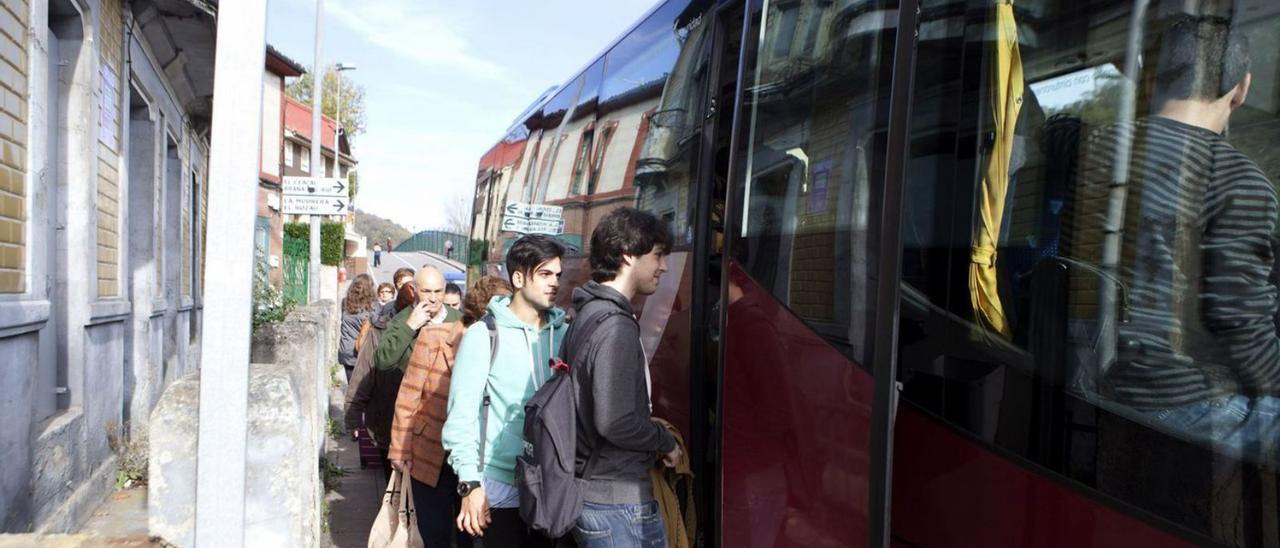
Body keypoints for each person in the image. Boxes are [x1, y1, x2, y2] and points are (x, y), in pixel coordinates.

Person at [1073, 15, 1280, 462]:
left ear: (1152, 74)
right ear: (1241, 88)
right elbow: (1240, 326)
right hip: (1176, 403)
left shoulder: (1094, 146)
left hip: (1087, 378)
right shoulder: (1239, 180)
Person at [563, 207, 681, 548]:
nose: (663, 266)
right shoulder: (615, 325)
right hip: (618, 504)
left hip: (596, 493)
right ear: (628, 254)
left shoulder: (587, 311)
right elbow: (615, 421)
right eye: (658, 255)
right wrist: (664, 440)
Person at [443, 235, 569, 547]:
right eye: (544, 274)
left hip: (552, 486)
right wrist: (470, 485)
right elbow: (461, 418)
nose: (554, 283)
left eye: (557, 275)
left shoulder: (566, 334)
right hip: (498, 488)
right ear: (517, 278)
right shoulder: (483, 336)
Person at [387, 276, 513, 548]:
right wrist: (399, 450)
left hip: (476, 460)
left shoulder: (503, 344)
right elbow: (409, 395)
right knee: (435, 534)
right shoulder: (434, 337)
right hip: (431, 454)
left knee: (472, 533)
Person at [373, 266, 462, 544]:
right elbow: (383, 360)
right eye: (427, 291)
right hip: (421, 433)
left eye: (438, 291)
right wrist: (411, 325)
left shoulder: (461, 320)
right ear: (415, 291)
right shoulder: (402, 320)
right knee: (430, 524)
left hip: (456, 430)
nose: (433, 298)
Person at [345, 282, 418, 483]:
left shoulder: (435, 329)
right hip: (387, 420)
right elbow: (363, 373)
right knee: (394, 484)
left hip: (419, 425)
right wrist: (352, 416)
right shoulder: (380, 331)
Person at [338, 274, 378, 381]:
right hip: (364, 352)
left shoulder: (345, 302)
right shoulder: (373, 306)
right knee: (363, 391)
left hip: (346, 351)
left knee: (351, 387)